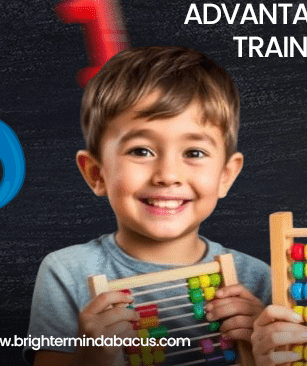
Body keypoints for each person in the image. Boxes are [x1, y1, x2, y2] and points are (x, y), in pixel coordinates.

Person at [25, 47, 271, 366]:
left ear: (226, 175)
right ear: (96, 174)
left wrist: (259, 352)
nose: (167, 175)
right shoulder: (67, 272)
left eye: (194, 153)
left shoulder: (255, 281)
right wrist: (91, 358)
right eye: (141, 151)